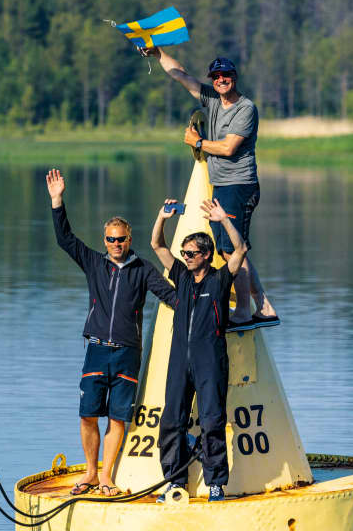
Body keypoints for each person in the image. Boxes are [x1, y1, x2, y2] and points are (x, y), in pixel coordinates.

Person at [46, 168, 177, 497]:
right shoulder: (94, 263)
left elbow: (173, 297)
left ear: (129, 240)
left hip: (128, 353)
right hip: (97, 349)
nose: (116, 244)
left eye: (121, 239)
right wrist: (57, 201)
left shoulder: (143, 269)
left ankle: (106, 477)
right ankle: (90, 472)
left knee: (117, 418)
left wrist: (206, 297)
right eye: (110, 239)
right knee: (88, 413)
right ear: (105, 241)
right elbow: (65, 240)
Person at [141, 47, 278, 329]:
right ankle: (263, 306)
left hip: (239, 185)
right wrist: (158, 53)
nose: (221, 80)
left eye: (225, 75)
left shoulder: (245, 108)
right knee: (232, 249)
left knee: (232, 251)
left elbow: (228, 148)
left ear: (234, 77)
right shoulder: (213, 100)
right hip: (223, 186)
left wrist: (198, 143)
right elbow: (181, 75)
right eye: (216, 76)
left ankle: (242, 312)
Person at [149, 196, 249, 503]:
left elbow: (241, 249)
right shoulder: (181, 276)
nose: (186, 257)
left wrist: (223, 220)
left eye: (192, 253)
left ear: (206, 255)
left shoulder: (219, 280)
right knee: (170, 422)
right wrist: (162, 218)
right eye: (185, 253)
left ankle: (216, 483)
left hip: (210, 363)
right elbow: (157, 246)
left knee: (211, 422)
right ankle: (174, 481)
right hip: (180, 361)